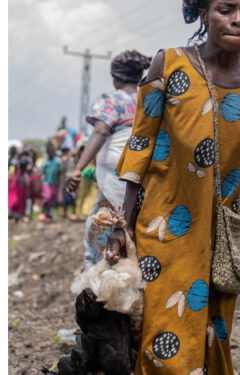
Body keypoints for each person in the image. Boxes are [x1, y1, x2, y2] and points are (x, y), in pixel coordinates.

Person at [94, 1, 240, 373]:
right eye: (226, 9)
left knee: (216, 328)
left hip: (223, 228)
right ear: (203, 12)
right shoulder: (169, 63)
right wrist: (122, 226)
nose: (239, 20)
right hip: (166, 224)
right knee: (167, 326)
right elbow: (140, 143)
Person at [66, 49, 151, 268]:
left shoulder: (111, 100)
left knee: (104, 220)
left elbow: (101, 131)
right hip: (148, 166)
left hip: (118, 167)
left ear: (116, 78)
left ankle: (98, 273)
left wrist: (78, 168)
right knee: (140, 218)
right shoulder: (149, 98)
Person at [40, 142, 61, 223]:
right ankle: (43, 212)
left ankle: (49, 215)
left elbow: (59, 173)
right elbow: (42, 173)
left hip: (55, 183)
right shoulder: (45, 162)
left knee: (52, 199)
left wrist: (60, 184)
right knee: (47, 197)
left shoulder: (57, 161)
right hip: (46, 183)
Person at [59, 147, 78, 220]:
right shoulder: (65, 161)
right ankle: (64, 211)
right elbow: (62, 172)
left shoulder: (76, 161)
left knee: (73, 198)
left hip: (74, 181)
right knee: (65, 198)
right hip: (67, 182)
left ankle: (73, 213)